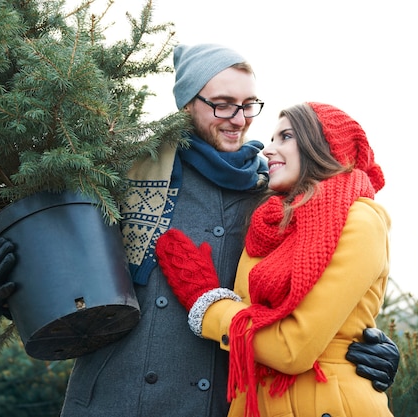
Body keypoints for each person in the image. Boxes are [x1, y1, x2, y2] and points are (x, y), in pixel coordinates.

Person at [0, 44, 399, 417]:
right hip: (114, 398)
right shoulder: (125, 173)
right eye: (222, 104)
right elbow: (61, 271)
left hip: (215, 404)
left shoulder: (273, 200)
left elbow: (322, 287)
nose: (239, 119)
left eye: (249, 105)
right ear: (186, 104)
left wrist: (368, 345)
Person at [155, 102, 394, 416]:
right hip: (256, 402)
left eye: (286, 137)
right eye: (271, 138)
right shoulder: (268, 223)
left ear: (322, 146)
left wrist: (207, 304)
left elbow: (293, 349)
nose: (268, 149)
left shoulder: (359, 220)